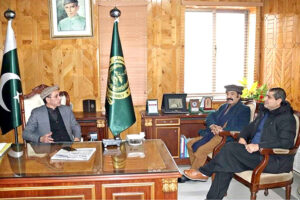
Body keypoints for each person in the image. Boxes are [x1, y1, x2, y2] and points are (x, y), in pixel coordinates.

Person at [184, 87, 296, 200]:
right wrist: (242, 137)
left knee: (229, 149)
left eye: (269, 97)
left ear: (278, 101)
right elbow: (248, 128)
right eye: (266, 96)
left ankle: (204, 172)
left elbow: (286, 142)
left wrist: (259, 146)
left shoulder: (287, 118)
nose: (265, 99)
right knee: (226, 163)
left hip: (272, 159)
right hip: (255, 154)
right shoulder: (265, 113)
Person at [179, 84, 250, 183]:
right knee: (189, 144)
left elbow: (242, 127)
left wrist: (221, 130)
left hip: (226, 137)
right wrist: (212, 125)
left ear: (239, 95)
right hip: (213, 133)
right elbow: (211, 115)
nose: (229, 96)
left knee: (201, 150)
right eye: (227, 94)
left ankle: (195, 173)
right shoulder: (224, 106)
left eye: (232, 94)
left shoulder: (244, 110)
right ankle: (196, 171)